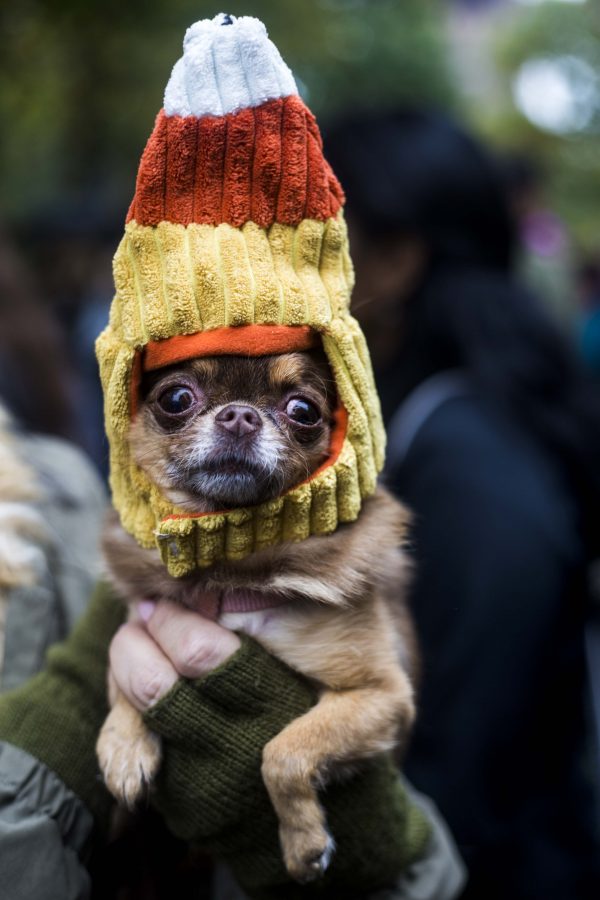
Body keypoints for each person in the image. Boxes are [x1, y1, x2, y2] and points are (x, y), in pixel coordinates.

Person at [324, 109, 600, 899]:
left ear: (396, 259)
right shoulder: (430, 426)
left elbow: (462, 764)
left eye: (317, 240)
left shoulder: (469, 468)